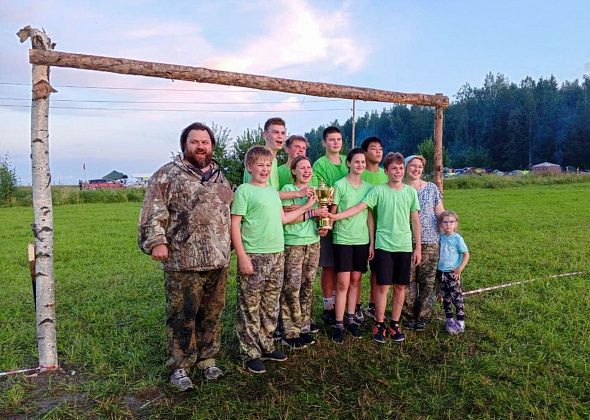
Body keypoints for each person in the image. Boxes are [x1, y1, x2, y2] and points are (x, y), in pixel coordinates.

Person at [138, 122, 233, 391]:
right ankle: (180, 366)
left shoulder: (220, 178)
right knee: (182, 315)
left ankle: (207, 359)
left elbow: (231, 214)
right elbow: (152, 211)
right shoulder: (167, 175)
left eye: (205, 142)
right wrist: (157, 241)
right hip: (183, 261)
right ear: (184, 145)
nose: (200, 146)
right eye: (194, 142)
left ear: (211, 146)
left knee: (212, 312)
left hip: (218, 259)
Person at [231, 146, 317, 374]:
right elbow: (235, 224)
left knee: (271, 303)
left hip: (278, 254)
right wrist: (242, 257)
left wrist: (307, 206)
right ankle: (250, 352)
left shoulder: (271, 191)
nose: (265, 169)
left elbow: (284, 218)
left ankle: (267, 344)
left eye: (268, 165)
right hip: (254, 255)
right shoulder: (244, 191)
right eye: (260, 165)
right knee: (250, 306)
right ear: (249, 167)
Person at [329, 152, 421, 344]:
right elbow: (360, 208)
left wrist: (417, 247)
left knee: (401, 286)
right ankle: (379, 323)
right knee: (382, 286)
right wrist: (334, 217)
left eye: (400, 168)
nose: (397, 171)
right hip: (383, 245)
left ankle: (394, 324)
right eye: (393, 168)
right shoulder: (377, 190)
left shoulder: (410, 192)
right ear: (385, 171)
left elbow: (415, 220)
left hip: (404, 245)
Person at [279, 156, 327, 349]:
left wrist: (321, 223)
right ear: (293, 171)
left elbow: (315, 215)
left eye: (309, 168)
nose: (307, 171)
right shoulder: (288, 191)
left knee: (307, 285)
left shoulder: (316, 192)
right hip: (293, 244)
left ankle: (304, 326)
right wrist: (310, 212)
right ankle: (290, 331)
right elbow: (288, 219)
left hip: (313, 243)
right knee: (292, 286)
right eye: (302, 168)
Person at [330, 148, 374, 343]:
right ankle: (338, 323)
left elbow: (369, 216)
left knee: (356, 280)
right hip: (343, 239)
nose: (360, 165)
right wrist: (328, 223)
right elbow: (332, 212)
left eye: (363, 162)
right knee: (342, 283)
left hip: (362, 240)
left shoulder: (369, 187)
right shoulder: (339, 186)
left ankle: (351, 318)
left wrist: (371, 242)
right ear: (348, 163)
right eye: (356, 161)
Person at [401, 155, 445, 331]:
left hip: (431, 242)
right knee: (407, 281)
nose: (416, 169)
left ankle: (423, 315)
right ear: (405, 167)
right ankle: (408, 315)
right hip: (405, 242)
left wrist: (448, 225)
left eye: (420, 166)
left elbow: (439, 211)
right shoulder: (400, 188)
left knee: (427, 281)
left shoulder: (432, 188)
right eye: (413, 165)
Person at [312, 126, 348, 325]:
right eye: (332, 139)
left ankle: (344, 304)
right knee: (329, 264)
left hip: (347, 220)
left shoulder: (347, 162)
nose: (336, 142)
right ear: (324, 142)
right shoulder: (319, 164)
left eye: (339, 139)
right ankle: (328, 305)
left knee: (343, 265)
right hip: (328, 216)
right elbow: (320, 194)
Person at [359, 136, 388, 322]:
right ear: (364, 152)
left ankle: (373, 304)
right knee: (357, 271)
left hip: (383, 230)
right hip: (359, 230)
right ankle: (354, 307)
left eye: (380, 148)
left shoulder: (387, 174)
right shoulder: (358, 173)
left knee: (378, 270)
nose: (378, 151)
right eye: (373, 148)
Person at [437, 210, 470, 334]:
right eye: (445, 222)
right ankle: (449, 320)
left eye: (451, 222)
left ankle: (460, 322)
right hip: (441, 273)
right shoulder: (439, 237)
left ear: (456, 224)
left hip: (452, 274)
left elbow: (466, 255)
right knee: (445, 298)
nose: (448, 225)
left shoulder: (457, 239)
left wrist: (459, 269)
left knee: (457, 298)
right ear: (440, 224)